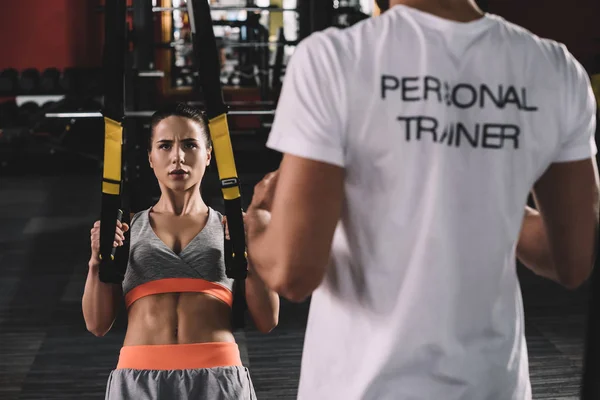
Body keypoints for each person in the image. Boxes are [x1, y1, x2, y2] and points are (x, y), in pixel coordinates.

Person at [243, 0, 599, 399]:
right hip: (493, 386)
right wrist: (477, 196)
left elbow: (293, 272)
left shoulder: (333, 59)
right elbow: (570, 259)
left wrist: (257, 221)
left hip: (362, 388)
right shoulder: (555, 68)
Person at [83, 103, 279, 400]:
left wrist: (252, 252)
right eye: (165, 146)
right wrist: (96, 260)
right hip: (139, 379)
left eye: (190, 145)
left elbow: (268, 320)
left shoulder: (233, 227)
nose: (178, 157)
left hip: (219, 377)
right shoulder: (126, 229)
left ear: (208, 155)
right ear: (151, 158)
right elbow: (97, 325)